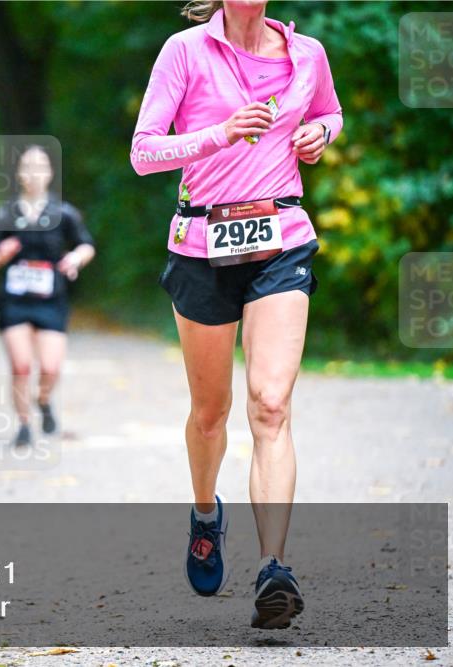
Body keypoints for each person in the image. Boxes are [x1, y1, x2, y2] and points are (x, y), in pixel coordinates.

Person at [130, 0, 341, 629]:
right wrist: (220, 133)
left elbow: (330, 111)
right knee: (210, 412)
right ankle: (205, 514)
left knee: (271, 405)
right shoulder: (185, 51)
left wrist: (321, 134)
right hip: (201, 244)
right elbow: (144, 153)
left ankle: (274, 568)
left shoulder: (308, 54)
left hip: (282, 236)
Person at [0, 146, 96, 447]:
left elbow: (86, 245)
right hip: (14, 301)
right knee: (21, 366)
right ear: (19, 174)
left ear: (49, 173)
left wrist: (75, 259)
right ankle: (24, 424)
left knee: (51, 368)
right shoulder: (6, 214)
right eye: (27, 167)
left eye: (40, 166)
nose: (33, 173)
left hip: (51, 301)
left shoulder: (63, 213)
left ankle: (43, 399)